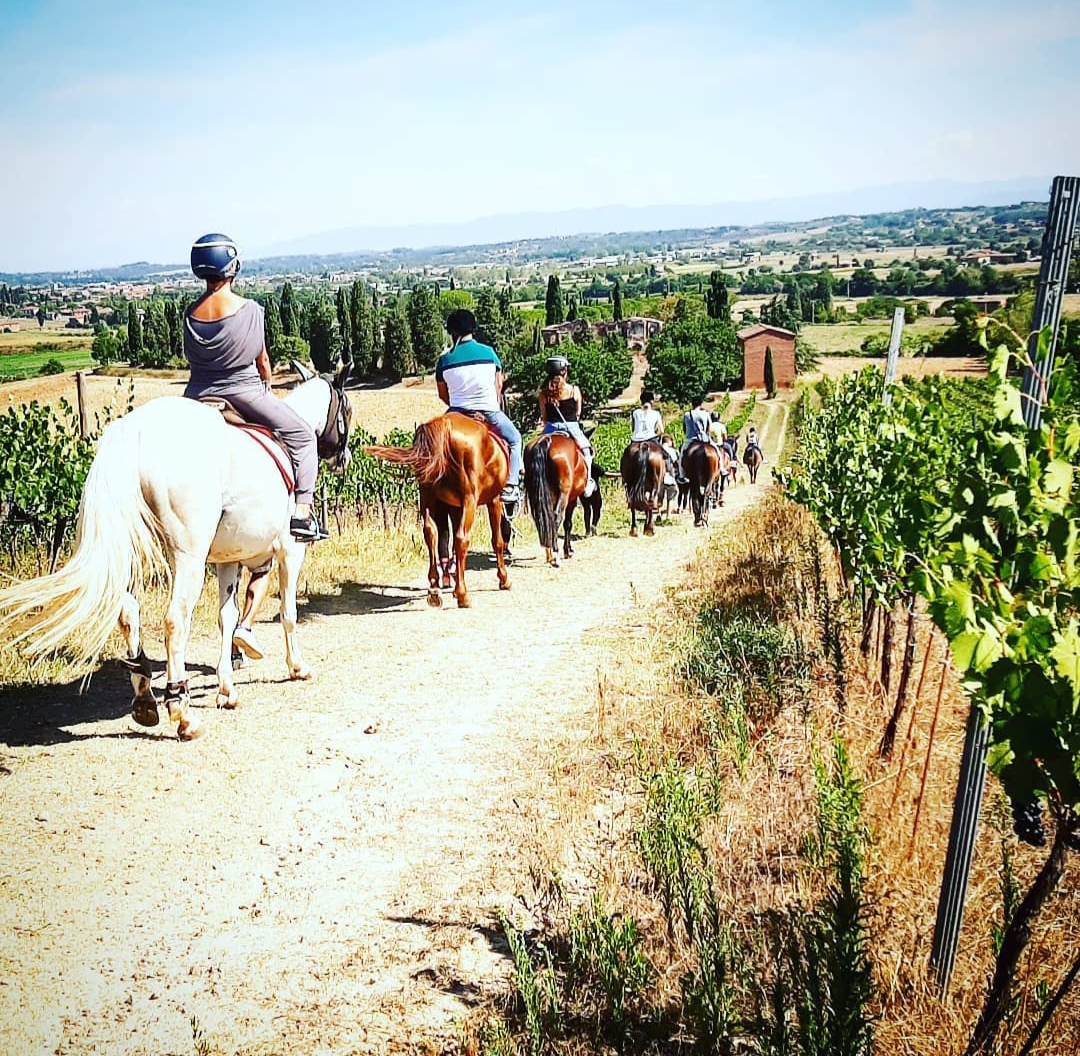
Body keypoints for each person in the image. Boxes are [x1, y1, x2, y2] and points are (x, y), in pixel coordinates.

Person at [183, 233, 326, 542]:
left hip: (195, 396)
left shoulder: (189, 314)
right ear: (231, 267)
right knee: (302, 436)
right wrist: (267, 387)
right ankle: (302, 515)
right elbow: (262, 361)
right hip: (243, 393)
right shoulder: (250, 310)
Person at [435, 309, 523, 504]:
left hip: (456, 412)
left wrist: (459, 407)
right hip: (489, 411)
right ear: (473, 329)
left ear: (452, 332)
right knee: (516, 439)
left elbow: (443, 394)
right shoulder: (490, 353)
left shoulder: (444, 360)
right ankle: (511, 485)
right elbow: (498, 386)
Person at [537, 355, 596, 497]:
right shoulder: (573, 390)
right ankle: (587, 482)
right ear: (563, 371)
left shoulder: (543, 394)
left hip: (550, 427)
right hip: (571, 427)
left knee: (535, 449)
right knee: (587, 451)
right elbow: (577, 414)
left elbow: (544, 417)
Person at [680, 394, 714, 463]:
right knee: (717, 451)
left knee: (681, 456)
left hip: (690, 439)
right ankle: (722, 468)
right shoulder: (706, 414)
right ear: (701, 404)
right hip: (704, 439)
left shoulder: (687, 415)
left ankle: (681, 473)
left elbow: (684, 429)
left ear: (692, 404)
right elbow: (709, 429)